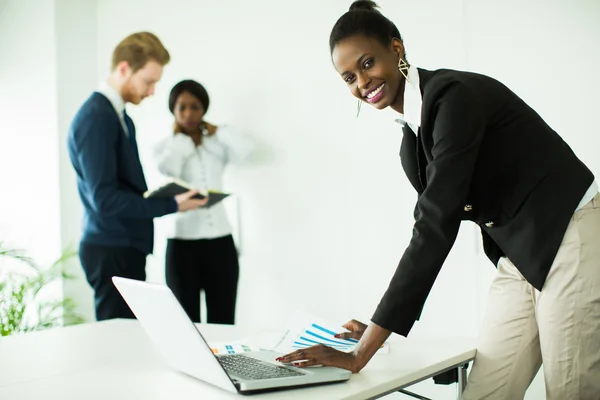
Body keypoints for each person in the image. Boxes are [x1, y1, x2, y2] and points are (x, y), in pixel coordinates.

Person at [277, 1, 600, 398]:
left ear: (396, 49)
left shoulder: (452, 98)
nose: (362, 82)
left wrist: (365, 350)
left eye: (366, 63)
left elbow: (435, 227)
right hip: (521, 253)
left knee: (571, 390)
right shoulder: (410, 144)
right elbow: (427, 237)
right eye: (348, 78)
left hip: (568, 232)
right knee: (485, 392)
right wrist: (382, 331)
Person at [67, 33, 207, 321]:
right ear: (123, 69)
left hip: (122, 246)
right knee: (117, 346)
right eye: (149, 81)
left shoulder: (121, 117)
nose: (153, 91)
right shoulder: (98, 117)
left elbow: (118, 187)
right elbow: (105, 200)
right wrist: (172, 205)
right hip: (111, 248)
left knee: (128, 339)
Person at [153, 79, 255, 324]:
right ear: (173, 110)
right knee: (185, 323)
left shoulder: (216, 145)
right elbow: (168, 168)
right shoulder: (165, 147)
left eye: (195, 107)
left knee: (223, 319)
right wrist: (185, 140)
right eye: (182, 108)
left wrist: (217, 131)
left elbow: (247, 150)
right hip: (181, 247)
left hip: (220, 243)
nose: (189, 114)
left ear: (204, 109)